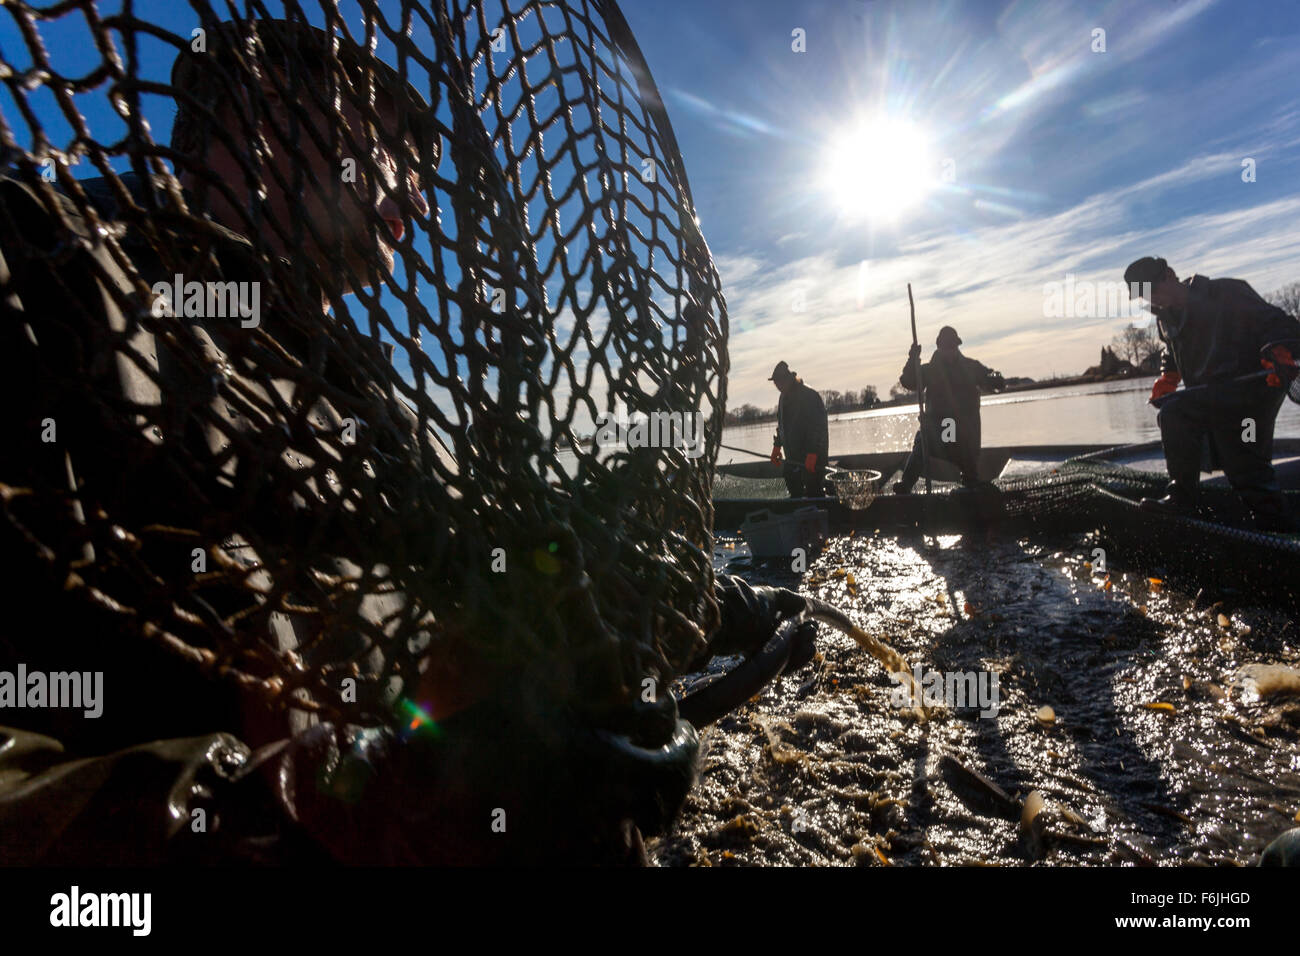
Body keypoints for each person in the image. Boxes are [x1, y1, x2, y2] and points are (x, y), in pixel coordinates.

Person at [0, 18, 815, 865]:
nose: (424, 199)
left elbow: (476, 604)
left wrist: (701, 605)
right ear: (269, 104)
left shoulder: (372, 401)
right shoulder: (44, 275)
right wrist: (335, 817)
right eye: (396, 146)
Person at [1124, 256, 1299, 531]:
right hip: (1208, 395)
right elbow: (1170, 353)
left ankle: (1277, 529)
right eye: (1145, 297)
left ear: (1170, 275)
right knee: (1174, 414)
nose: (1153, 300)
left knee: (1245, 465)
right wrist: (1167, 377)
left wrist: (1279, 349)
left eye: (1154, 291)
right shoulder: (1165, 320)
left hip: (1252, 394)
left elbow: (1277, 322)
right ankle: (1182, 495)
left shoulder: (1226, 292)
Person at [893, 326, 1004, 493]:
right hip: (944, 432)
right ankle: (907, 485)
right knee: (924, 440)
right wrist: (913, 359)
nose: (949, 351)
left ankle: (970, 480)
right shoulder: (931, 371)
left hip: (966, 434)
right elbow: (909, 381)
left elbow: (994, 381)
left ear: (957, 347)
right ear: (939, 348)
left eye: (952, 347)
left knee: (936, 440)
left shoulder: (970, 367)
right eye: (946, 347)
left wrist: (994, 379)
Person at [768, 360, 830, 497]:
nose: (777, 385)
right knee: (793, 486)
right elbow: (782, 424)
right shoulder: (782, 398)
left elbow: (818, 427)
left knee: (814, 491)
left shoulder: (809, 395)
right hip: (792, 457)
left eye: (779, 381)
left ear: (789, 379)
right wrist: (777, 446)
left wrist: (813, 452)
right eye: (775, 383)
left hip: (812, 457)